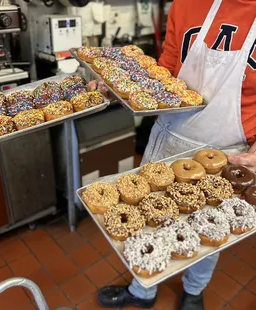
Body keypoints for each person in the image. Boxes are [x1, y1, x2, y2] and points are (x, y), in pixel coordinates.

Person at [88, 0, 256, 309]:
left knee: (207, 226)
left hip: (226, 150)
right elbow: (166, 68)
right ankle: (143, 290)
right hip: (170, 137)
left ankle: (194, 291)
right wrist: (128, 85)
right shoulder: (186, 3)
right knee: (147, 220)